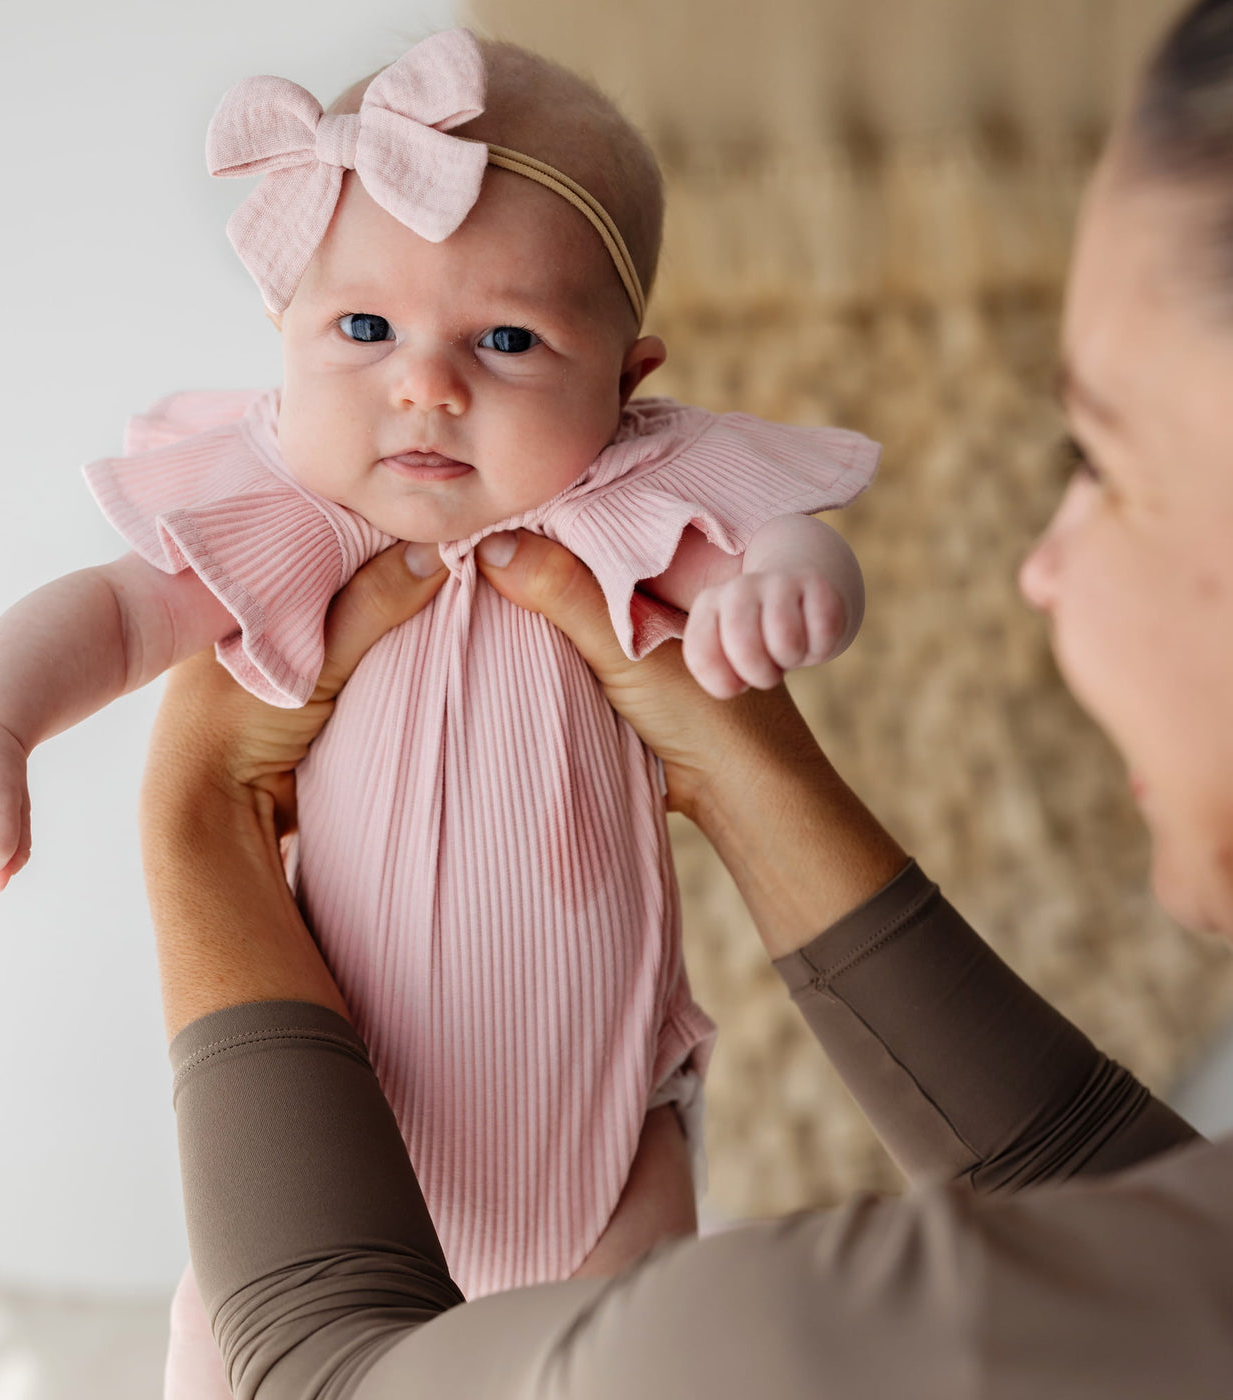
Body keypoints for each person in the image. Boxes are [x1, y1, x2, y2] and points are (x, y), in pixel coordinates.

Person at [141, 0, 1233, 1394]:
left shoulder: (751, 1337)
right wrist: (746, 776)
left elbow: (317, 1378)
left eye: (1101, 462)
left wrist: (196, 825)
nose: (1040, 566)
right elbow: (1108, 1208)